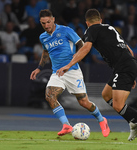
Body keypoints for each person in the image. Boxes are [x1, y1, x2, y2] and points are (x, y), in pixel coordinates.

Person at [57, 8, 137, 144]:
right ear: (101, 20)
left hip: (123, 67)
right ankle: (133, 123)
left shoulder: (91, 30)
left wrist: (69, 65)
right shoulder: (110, 28)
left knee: (118, 105)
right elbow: (129, 50)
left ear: (87, 23)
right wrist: (131, 75)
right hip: (125, 65)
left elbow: (86, 48)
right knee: (106, 95)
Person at [30, 9, 110, 137]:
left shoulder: (66, 30)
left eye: (48, 22)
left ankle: (102, 120)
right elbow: (46, 52)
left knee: (84, 103)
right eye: (43, 23)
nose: (46, 26)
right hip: (57, 72)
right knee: (49, 96)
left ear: (53, 19)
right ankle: (66, 125)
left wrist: (70, 63)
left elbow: (82, 45)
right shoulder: (43, 37)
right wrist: (39, 67)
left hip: (72, 71)